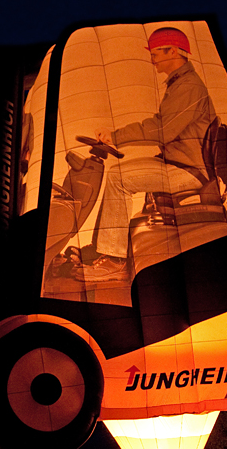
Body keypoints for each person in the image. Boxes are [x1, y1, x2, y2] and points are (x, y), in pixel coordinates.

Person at [76, 27, 217, 283]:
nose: (152, 59)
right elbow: (161, 122)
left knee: (119, 177)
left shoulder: (188, 87)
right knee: (121, 173)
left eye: (155, 53)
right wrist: (116, 137)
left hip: (187, 170)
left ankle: (114, 260)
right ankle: (103, 247)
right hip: (177, 162)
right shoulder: (179, 84)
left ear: (173, 51)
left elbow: (162, 130)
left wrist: (115, 136)